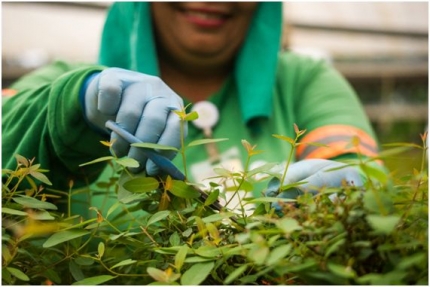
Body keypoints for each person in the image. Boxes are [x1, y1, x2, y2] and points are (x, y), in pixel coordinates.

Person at [2, 2, 380, 219]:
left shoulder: (306, 82)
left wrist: (352, 188)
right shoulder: (60, 84)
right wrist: (73, 103)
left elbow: (371, 184)